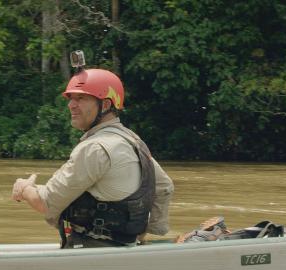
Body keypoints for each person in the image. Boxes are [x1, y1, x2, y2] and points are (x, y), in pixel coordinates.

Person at [12, 68, 174, 248]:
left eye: (81, 98)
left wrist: (25, 189)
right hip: (126, 247)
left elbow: (46, 203)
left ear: (105, 105)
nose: (71, 105)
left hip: (92, 250)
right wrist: (143, 234)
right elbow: (164, 187)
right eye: (71, 98)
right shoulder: (134, 141)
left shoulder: (94, 148)